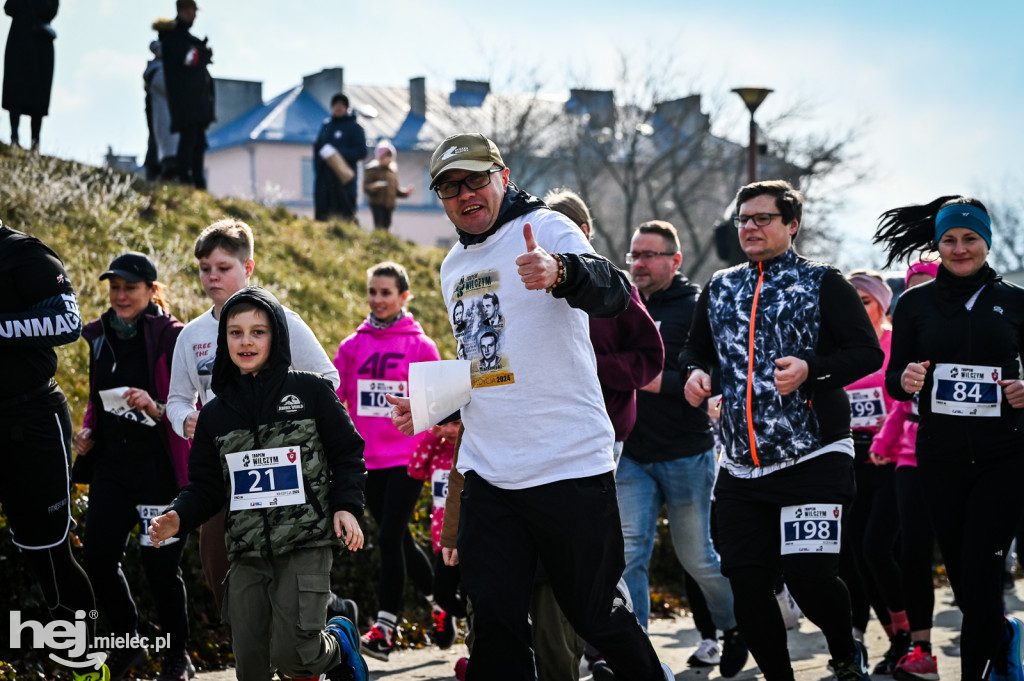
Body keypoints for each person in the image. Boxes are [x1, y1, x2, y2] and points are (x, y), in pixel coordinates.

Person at [388, 132, 674, 681]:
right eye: (450, 188)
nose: (465, 194)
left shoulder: (544, 226)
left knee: (594, 614)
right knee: (493, 624)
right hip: (491, 472)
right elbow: (486, 361)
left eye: (475, 179)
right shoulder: (451, 267)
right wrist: (434, 403)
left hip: (567, 464)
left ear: (503, 175)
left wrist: (562, 272)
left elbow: (615, 290)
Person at [682, 180, 883, 681]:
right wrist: (696, 374)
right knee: (747, 586)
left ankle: (843, 650)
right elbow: (695, 351)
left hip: (814, 456)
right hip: (742, 467)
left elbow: (867, 353)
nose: (749, 227)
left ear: (791, 225)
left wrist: (812, 368)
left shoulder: (823, 282)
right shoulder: (721, 286)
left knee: (810, 578)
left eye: (762, 218)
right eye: (743, 219)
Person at [148, 287, 369, 681]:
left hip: (306, 542)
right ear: (223, 340)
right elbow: (205, 487)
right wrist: (178, 517)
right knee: (250, 665)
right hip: (246, 551)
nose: (246, 341)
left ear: (277, 336)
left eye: (258, 332)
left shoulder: (310, 391)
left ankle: (339, 641)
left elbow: (348, 453)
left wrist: (346, 507)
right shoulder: (215, 414)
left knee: (296, 654)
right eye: (235, 333)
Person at [874, 196, 1024, 681]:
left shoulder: (1015, 301)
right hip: (939, 457)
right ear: (938, 246)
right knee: (962, 573)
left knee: (982, 572)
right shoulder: (915, 303)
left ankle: (977, 671)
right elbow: (893, 377)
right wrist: (909, 378)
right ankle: (1001, 636)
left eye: (970, 239)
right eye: (949, 240)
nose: (960, 249)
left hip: (1004, 454)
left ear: (987, 242)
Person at [165, 218, 340, 612]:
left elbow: (328, 380)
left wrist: (285, 420)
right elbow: (176, 399)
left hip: (283, 471)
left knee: (289, 591)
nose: (212, 277)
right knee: (223, 580)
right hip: (222, 472)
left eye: (223, 268)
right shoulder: (191, 336)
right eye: (205, 268)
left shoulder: (284, 323)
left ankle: (327, 617)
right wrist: (187, 420)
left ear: (249, 267)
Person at [539, 188, 665, 681]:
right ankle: (574, 653)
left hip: (600, 435)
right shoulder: (523, 283)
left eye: (562, 239)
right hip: (540, 436)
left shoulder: (611, 287)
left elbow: (650, 359)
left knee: (593, 555)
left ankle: (623, 656)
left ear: (583, 236)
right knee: (559, 556)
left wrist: (591, 367)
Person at [619, 219, 747, 678]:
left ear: (674, 260)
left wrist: (649, 381)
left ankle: (734, 626)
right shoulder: (622, 303)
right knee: (630, 552)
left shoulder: (697, 308)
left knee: (698, 558)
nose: (639, 263)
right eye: (634, 254)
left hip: (686, 453)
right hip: (632, 454)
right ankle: (634, 652)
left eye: (650, 255)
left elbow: (711, 379)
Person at [71, 253, 191, 681]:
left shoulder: (172, 336)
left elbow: (187, 404)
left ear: (151, 290)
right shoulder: (100, 334)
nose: (120, 296)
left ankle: (179, 657)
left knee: (161, 567)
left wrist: (156, 407)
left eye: (130, 288)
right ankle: (128, 641)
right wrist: (86, 433)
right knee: (99, 559)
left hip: (159, 470)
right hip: (112, 469)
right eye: (114, 288)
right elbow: (96, 401)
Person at [0, 222, 106, 681]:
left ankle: (85, 667)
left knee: (48, 554)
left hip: (30, 424)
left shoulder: (21, 253)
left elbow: (66, 322)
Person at [332, 261, 444, 660]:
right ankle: (441, 602)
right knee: (396, 537)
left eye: (386, 292)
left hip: (406, 458)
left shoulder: (421, 346)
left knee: (388, 535)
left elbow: (436, 406)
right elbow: (335, 402)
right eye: (373, 292)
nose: (378, 300)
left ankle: (384, 629)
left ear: (404, 297)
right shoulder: (351, 346)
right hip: (367, 460)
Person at [869, 258, 941, 681]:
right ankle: (922, 650)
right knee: (911, 553)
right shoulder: (908, 340)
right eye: (910, 291)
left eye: (925, 288)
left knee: (966, 556)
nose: (917, 299)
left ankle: (997, 633)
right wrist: (882, 443)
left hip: (966, 454)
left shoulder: (966, 330)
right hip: (911, 457)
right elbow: (898, 401)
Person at [840, 269, 909, 675]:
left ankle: (909, 636)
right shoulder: (839, 350)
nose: (856, 309)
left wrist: (884, 439)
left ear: (882, 305)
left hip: (892, 462)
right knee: (859, 558)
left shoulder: (895, 343)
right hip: (850, 463)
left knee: (879, 550)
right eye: (850, 302)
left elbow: (903, 400)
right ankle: (895, 636)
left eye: (864, 301)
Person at [406, 418, 467, 647]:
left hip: (471, 538)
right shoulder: (438, 452)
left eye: (457, 423)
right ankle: (468, 615)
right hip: (444, 542)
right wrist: (431, 435)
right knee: (442, 593)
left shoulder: (471, 452)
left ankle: (478, 643)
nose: (450, 430)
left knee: (472, 591)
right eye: (445, 424)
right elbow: (414, 468)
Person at [157, 0, 214, 189]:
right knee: (188, 143)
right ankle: (186, 181)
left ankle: (197, 182)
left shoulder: (184, 37)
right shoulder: (174, 37)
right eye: (192, 12)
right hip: (187, 101)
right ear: (184, 11)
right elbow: (191, 59)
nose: (194, 16)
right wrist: (203, 53)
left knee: (197, 143)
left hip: (196, 101)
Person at [2, 0, 58, 150]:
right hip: (19, 45)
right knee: (16, 93)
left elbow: (51, 11)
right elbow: (9, 8)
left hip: (40, 47)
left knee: (38, 98)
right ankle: (14, 137)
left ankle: (35, 143)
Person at [314, 93, 367, 222]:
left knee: (345, 214)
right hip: (325, 180)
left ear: (346, 108)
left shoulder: (355, 128)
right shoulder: (326, 126)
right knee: (323, 213)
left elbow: (361, 152)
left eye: (342, 105)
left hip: (344, 180)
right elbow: (317, 148)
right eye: (336, 105)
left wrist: (338, 154)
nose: (338, 108)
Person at [143, 38, 179, 181]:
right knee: (160, 157)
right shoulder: (159, 73)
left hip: (163, 126)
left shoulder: (158, 71)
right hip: (164, 125)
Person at [363, 139, 413, 230]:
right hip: (377, 203)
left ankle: (385, 239)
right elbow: (366, 186)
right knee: (379, 224)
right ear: (380, 157)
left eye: (390, 157)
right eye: (386, 157)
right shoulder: (373, 170)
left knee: (387, 224)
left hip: (389, 204)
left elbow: (395, 189)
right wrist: (372, 187)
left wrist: (405, 193)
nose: (389, 159)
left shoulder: (392, 172)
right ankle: (378, 238)